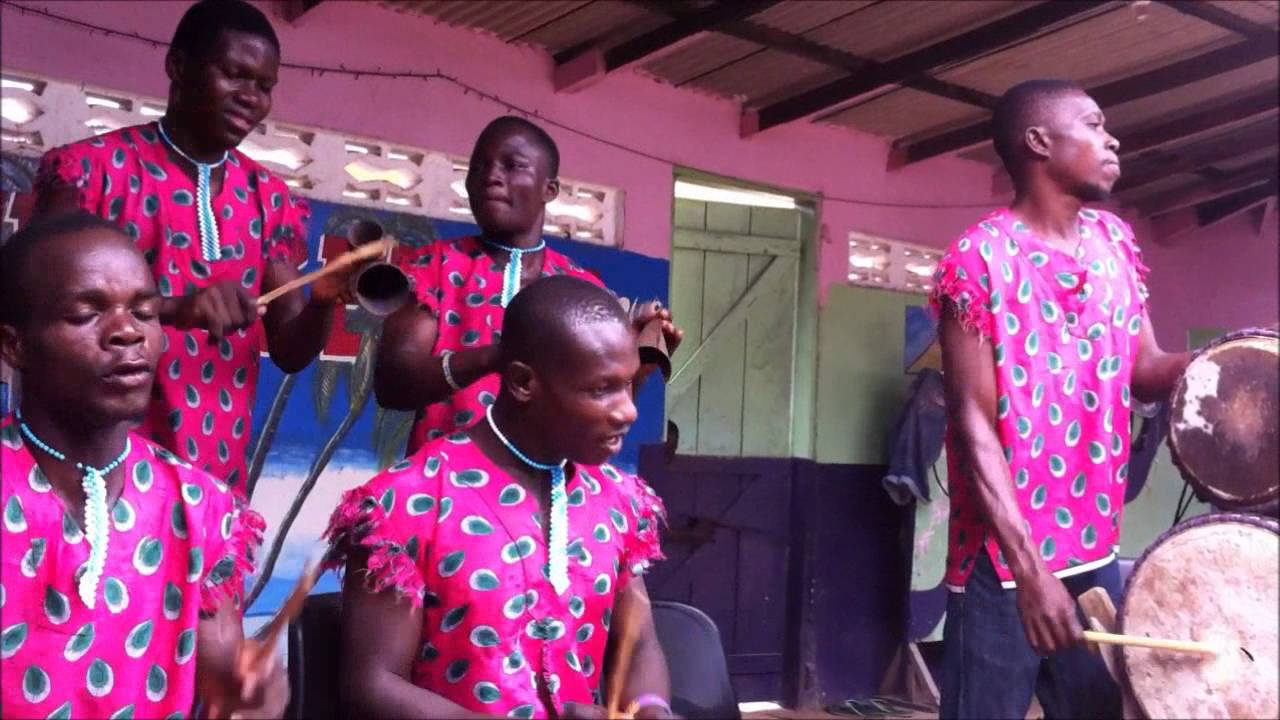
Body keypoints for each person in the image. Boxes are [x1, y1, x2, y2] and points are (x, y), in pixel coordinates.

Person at [930, 79, 1192, 719]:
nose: (1113, 138)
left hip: (1094, 551)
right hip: (1003, 562)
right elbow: (971, 425)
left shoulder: (1113, 244)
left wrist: (1243, 356)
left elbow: (1147, 368)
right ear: (1039, 141)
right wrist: (1030, 571)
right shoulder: (979, 259)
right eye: (1095, 124)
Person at [34, 0, 350, 491]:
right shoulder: (93, 171)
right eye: (234, 74)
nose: (251, 97)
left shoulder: (269, 199)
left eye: (264, 86)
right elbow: (42, 310)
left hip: (213, 479)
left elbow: (289, 348)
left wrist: (326, 302)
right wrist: (173, 308)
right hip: (92, 464)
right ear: (178, 66)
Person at [327, 275, 674, 719]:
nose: (628, 410)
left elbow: (639, 641)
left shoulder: (621, 502)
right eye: (601, 389)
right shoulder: (406, 504)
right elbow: (372, 685)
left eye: (627, 385)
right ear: (523, 382)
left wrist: (651, 710)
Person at [0, 212, 287, 719]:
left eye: (145, 312)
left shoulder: (202, 507)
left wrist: (252, 694)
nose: (127, 333)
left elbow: (227, 695)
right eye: (85, 314)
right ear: (14, 345)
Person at [375, 116, 682, 455]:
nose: (491, 177)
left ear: (549, 189)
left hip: (546, 497)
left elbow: (599, 418)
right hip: (445, 492)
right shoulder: (431, 267)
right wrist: (495, 357)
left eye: (512, 166)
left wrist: (637, 368)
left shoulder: (583, 289)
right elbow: (393, 385)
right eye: (480, 168)